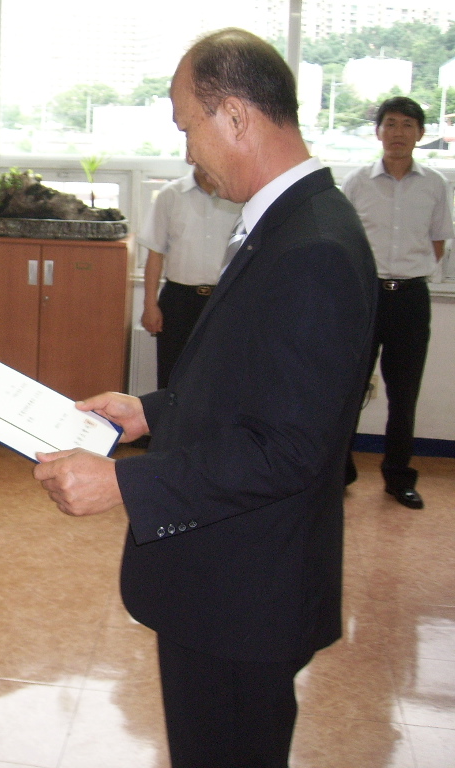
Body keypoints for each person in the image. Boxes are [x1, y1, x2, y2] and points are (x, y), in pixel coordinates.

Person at [33, 28, 377, 768]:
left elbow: (286, 449)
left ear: (236, 117)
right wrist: (149, 412)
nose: (187, 150)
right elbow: (252, 387)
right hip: (228, 580)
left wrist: (124, 482)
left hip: (246, 594)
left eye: (188, 128)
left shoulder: (313, 246)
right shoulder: (287, 223)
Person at [341, 96, 452, 509]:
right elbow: (345, 241)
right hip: (364, 297)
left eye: (407, 124)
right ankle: (340, 472)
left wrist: (406, 273)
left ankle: (399, 477)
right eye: (390, 124)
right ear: (378, 132)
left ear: (420, 133)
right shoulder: (357, 182)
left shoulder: (434, 185)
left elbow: (437, 243)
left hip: (410, 299)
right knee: (350, 389)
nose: (398, 133)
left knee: (404, 394)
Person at [139, 164, 242, 388]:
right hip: (178, 300)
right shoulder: (170, 194)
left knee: (218, 376)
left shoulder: (238, 195)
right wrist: (149, 305)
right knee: (171, 374)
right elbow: (155, 253)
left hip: (224, 299)